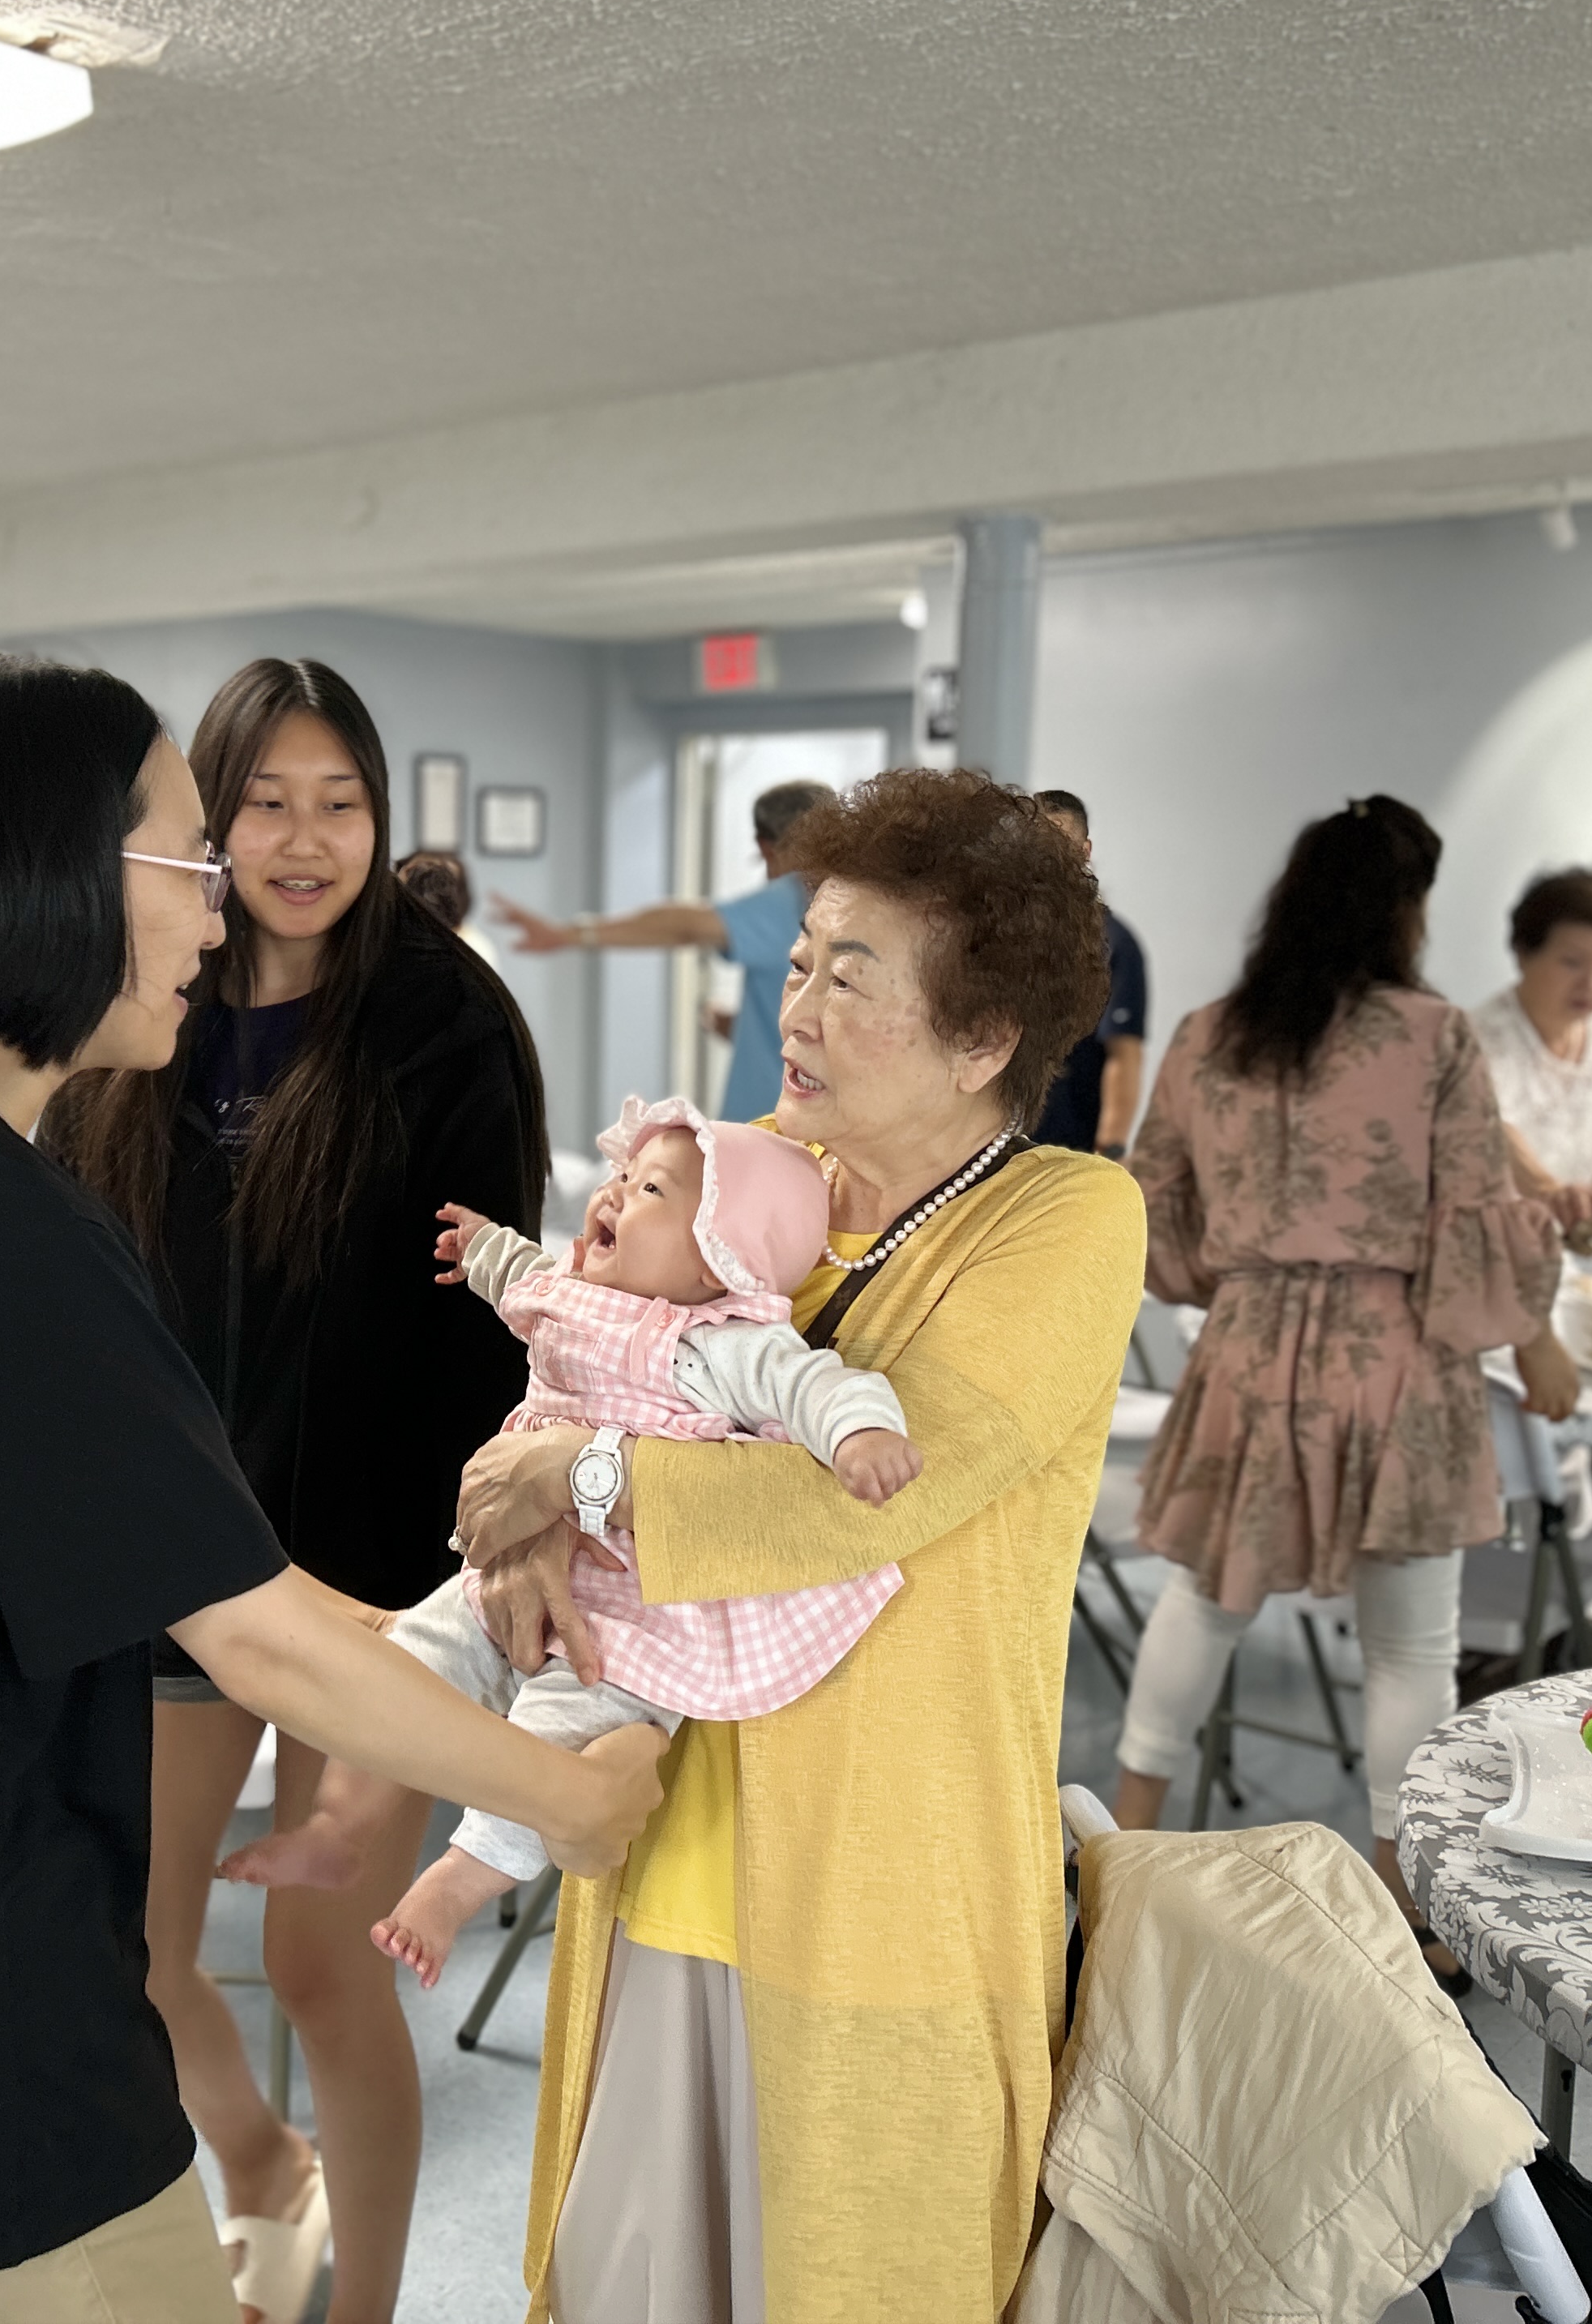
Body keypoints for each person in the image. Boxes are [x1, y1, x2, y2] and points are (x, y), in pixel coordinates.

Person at [0, 650, 663, 2324]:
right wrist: (568, 1798)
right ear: (53, 875)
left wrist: (460, 1609)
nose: (216, 903)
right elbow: (249, 1635)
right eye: (193, 850)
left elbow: (203, 1562)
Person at [451, 769, 1142, 2321]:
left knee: (848, 2269)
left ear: (982, 1037)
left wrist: (583, 1478)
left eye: (853, 974)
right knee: (634, 2274)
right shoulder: (736, 1166)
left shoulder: (1064, 1218)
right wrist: (522, 1523)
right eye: (801, 959)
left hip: (881, 1868)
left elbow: (875, 1488)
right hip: (660, 1832)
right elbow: (565, 1360)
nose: (799, 1005)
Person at [44, 658, 550, 2324]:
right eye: (265, 801)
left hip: (380, 1578)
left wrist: (466, 1592)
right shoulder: (148, 990)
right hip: (187, 1560)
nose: (305, 839)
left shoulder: (444, 1020)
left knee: (325, 1962)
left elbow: (496, 1328)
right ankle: (264, 2162)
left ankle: (365, 2304)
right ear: (211, 818)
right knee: (133, 1949)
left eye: (341, 803)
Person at [223, 1094, 920, 1986]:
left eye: (652, 1190)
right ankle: (337, 1829)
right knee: (404, 1668)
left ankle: (454, 1885)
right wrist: (480, 1245)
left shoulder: (721, 1344)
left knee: (551, 1744)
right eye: (623, 1175)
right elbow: (519, 1271)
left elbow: (816, 1386)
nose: (614, 1193)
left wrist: (860, 1436)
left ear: (723, 1260)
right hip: (507, 1568)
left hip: (631, 1616)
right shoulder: (575, 1293)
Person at [1108, 795, 1574, 1992]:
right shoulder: (1434, 1036)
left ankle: (1121, 1844)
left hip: (1249, 1350)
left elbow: (1150, 1205)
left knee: (1202, 1599)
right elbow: (1472, 1214)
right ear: (1406, 909)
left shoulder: (1211, 1034)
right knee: (1410, 1646)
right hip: (1396, 1352)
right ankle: (1398, 1913)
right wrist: (1537, 1345)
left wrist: (1232, 1278)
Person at [492, 777, 837, 1121]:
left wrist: (566, 935)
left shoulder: (796, 899)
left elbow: (685, 926)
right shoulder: (849, 906)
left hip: (774, 1124)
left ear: (767, 848)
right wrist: (742, 1028)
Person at [1471, 867, 1592, 1273]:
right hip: (1487, 1262)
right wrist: (1550, 1191)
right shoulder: (1476, 1041)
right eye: (1572, 963)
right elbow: (1492, 1132)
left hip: (1560, 1262)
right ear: (1523, 953)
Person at [1029, 790, 1149, 1158]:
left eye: (1060, 844)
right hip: (996, 1146)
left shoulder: (1114, 944)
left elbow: (1123, 1054)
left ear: (1085, 851)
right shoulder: (1001, 937)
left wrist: (1110, 1151)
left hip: (1072, 1149)